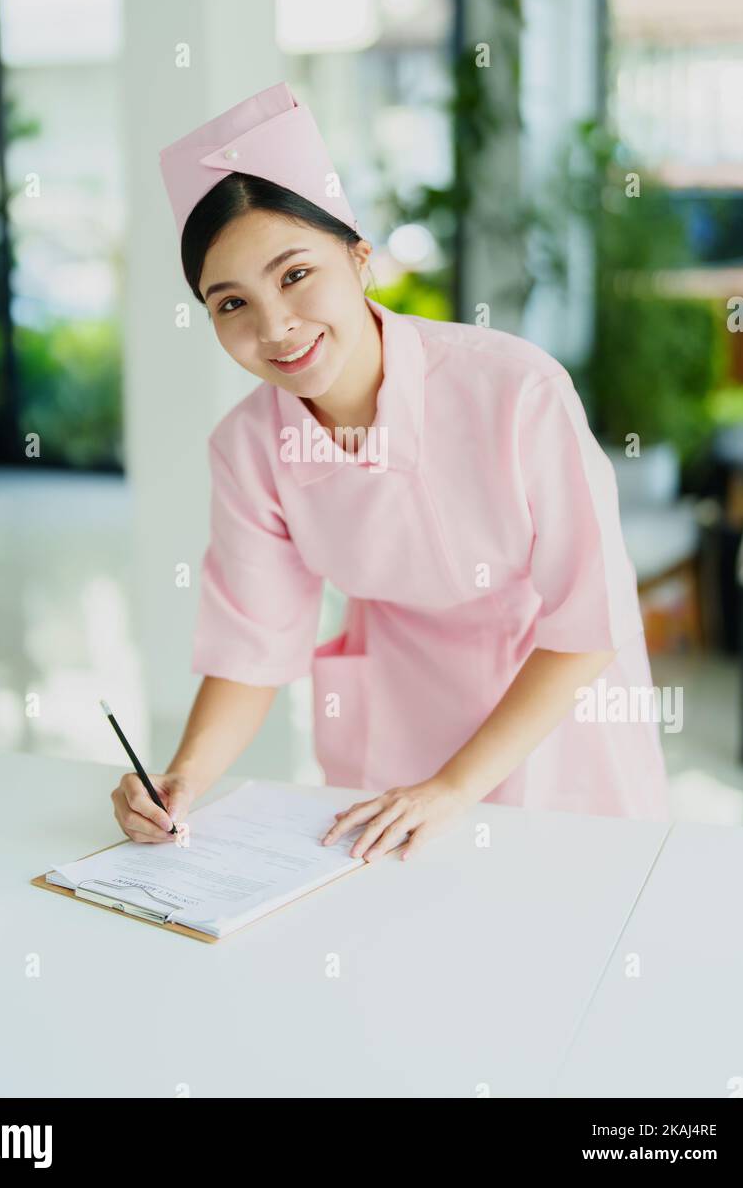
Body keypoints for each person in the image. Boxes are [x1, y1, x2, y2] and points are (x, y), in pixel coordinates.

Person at [111, 81, 671, 861]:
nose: (275, 327)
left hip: (551, 714)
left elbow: (588, 621)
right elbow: (253, 646)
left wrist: (453, 786)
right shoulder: (247, 447)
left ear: (360, 257)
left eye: (295, 275)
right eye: (230, 304)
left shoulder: (515, 389)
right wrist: (183, 777)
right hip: (399, 715)